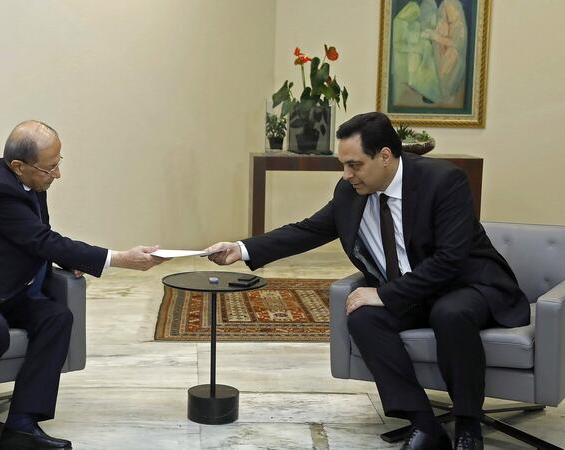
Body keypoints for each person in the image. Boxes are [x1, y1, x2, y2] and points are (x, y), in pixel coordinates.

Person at [206, 112, 529, 450]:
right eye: (343, 165)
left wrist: (386, 293)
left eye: (355, 165)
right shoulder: (350, 192)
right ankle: (423, 423)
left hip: (467, 284)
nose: (347, 175)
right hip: (415, 293)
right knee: (363, 318)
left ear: (385, 157)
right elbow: (308, 230)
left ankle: (467, 425)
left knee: (450, 313)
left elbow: (450, 260)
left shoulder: (443, 181)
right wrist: (241, 249)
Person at [0, 120, 168, 450]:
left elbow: (33, 240)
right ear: (19, 165)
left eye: (58, 163)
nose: (57, 174)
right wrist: (119, 259)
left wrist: (67, 260)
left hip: (7, 289)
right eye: (50, 167)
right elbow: (41, 238)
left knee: (57, 317)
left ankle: (21, 426)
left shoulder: (31, 183)